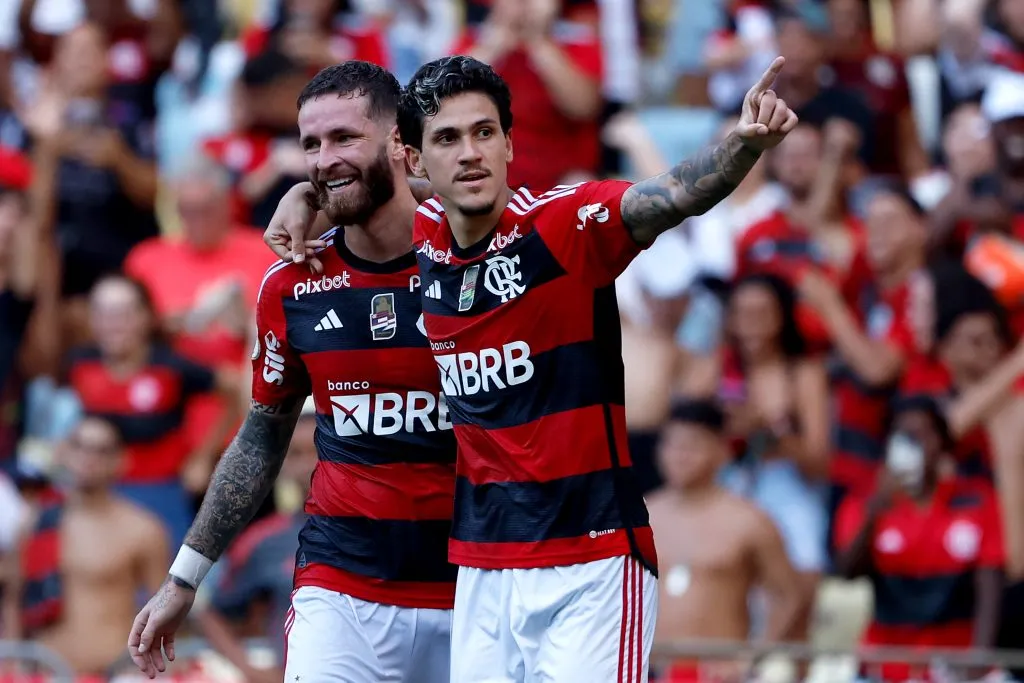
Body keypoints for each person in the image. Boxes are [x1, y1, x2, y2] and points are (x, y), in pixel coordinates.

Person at [268, 53, 798, 682]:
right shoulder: (429, 233)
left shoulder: (565, 224)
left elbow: (673, 194)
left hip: (592, 560)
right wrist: (307, 194)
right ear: (415, 161)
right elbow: (369, 191)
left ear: (510, 145)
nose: (470, 153)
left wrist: (741, 145)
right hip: (483, 570)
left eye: (484, 132)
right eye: (448, 138)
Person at [126, 61, 458, 683]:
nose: (324, 159)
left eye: (344, 138)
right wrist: (184, 578)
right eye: (311, 144)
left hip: (476, 579)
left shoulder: (473, 255)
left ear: (398, 142)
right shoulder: (291, 284)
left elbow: (493, 198)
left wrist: (316, 194)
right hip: (342, 586)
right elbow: (261, 436)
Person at [834, 394, 1004, 682]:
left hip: (955, 666)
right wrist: (874, 514)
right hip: (886, 667)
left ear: (942, 443)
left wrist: (978, 662)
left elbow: (990, 589)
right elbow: (846, 572)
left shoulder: (977, 501)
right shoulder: (864, 503)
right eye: (905, 436)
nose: (915, 445)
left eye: (923, 435)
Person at [648, 399, 803, 683]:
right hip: (649, 669)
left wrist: (752, 657)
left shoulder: (750, 521)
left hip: (718, 673)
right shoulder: (640, 516)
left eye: (692, 446)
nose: (679, 456)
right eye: (671, 445)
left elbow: (788, 596)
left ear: (721, 451)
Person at [1, 416, 168, 675]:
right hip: (45, 672)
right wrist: (12, 666)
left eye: (101, 451)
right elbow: (13, 600)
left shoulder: (143, 530)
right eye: (78, 446)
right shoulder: (36, 522)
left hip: (112, 672)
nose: (88, 458)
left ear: (120, 461)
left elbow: (165, 613)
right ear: (64, 453)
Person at [195, 396, 318, 683]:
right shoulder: (263, 540)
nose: (308, 465)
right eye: (295, 454)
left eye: (318, 451)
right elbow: (211, 613)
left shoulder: (381, 528)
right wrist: (250, 670)